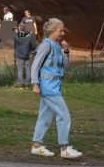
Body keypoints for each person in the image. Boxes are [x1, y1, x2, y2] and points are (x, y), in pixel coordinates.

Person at [30, 18, 82, 159]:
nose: (63, 33)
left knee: (45, 117)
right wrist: (35, 83)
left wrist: (66, 51)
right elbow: (35, 65)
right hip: (49, 89)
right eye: (61, 30)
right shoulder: (46, 46)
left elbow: (65, 66)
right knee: (64, 116)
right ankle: (64, 148)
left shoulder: (57, 46)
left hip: (53, 87)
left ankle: (36, 146)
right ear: (52, 31)